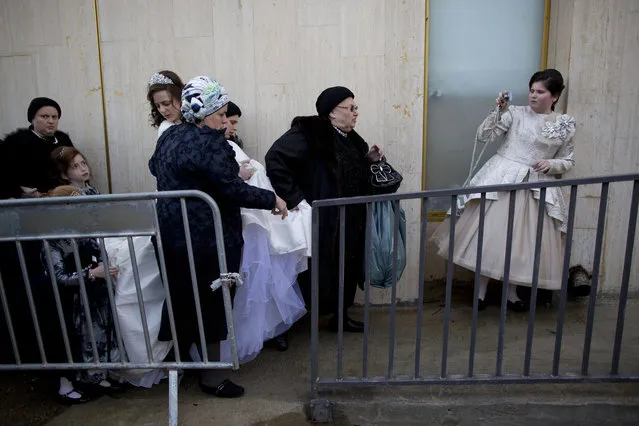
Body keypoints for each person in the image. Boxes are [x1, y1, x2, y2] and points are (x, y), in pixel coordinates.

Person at [149, 76, 288, 398]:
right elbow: (230, 188)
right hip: (207, 239)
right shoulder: (211, 143)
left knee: (182, 299)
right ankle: (211, 378)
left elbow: (155, 167)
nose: (226, 122)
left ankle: (182, 367)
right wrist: (272, 200)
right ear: (204, 112)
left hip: (171, 235)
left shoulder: (170, 137)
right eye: (221, 114)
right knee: (212, 303)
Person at [431, 69, 576, 312]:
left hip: (535, 187)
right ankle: (480, 291)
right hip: (503, 179)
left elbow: (568, 160)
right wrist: (498, 111)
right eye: (531, 90)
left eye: (540, 92)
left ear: (555, 96)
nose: (533, 95)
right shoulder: (515, 113)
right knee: (491, 235)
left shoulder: (565, 123)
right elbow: (483, 136)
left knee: (523, 241)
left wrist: (551, 164)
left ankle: (511, 293)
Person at [265, 86, 383, 333]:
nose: (355, 113)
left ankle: (340, 316)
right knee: (313, 272)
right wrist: (296, 198)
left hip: (351, 218)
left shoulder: (350, 138)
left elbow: (347, 169)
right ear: (331, 112)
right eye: (350, 108)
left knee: (346, 268)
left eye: (355, 108)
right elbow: (276, 158)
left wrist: (368, 160)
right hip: (323, 219)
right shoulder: (310, 132)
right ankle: (287, 326)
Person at [219, 101, 310, 361]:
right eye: (227, 119)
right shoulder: (221, 148)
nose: (231, 126)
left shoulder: (231, 145)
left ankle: (263, 330)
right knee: (249, 279)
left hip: (256, 219)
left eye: (234, 121)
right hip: (246, 222)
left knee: (260, 280)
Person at [0, 97, 75, 366]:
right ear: (33, 118)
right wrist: (20, 191)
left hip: (58, 217)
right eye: (44, 116)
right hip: (26, 222)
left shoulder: (63, 141)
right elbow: (5, 178)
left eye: (54, 116)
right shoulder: (16, 144)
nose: (50, 121)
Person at [42, 185, 123, 403]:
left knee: (101, 336)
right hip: (72, 302)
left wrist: (104, 266)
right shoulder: (53, 241)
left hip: (95, 298)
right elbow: (59, 277)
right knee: (80, 341)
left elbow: (98, 252)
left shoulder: (82, 234)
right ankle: (79, 379)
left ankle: (99, 376)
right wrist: (91, 273)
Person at [147, 70, 185, 138]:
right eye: (157, 106)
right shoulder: (165, 129)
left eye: (166, 103)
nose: (162, 110)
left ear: (180, 97)